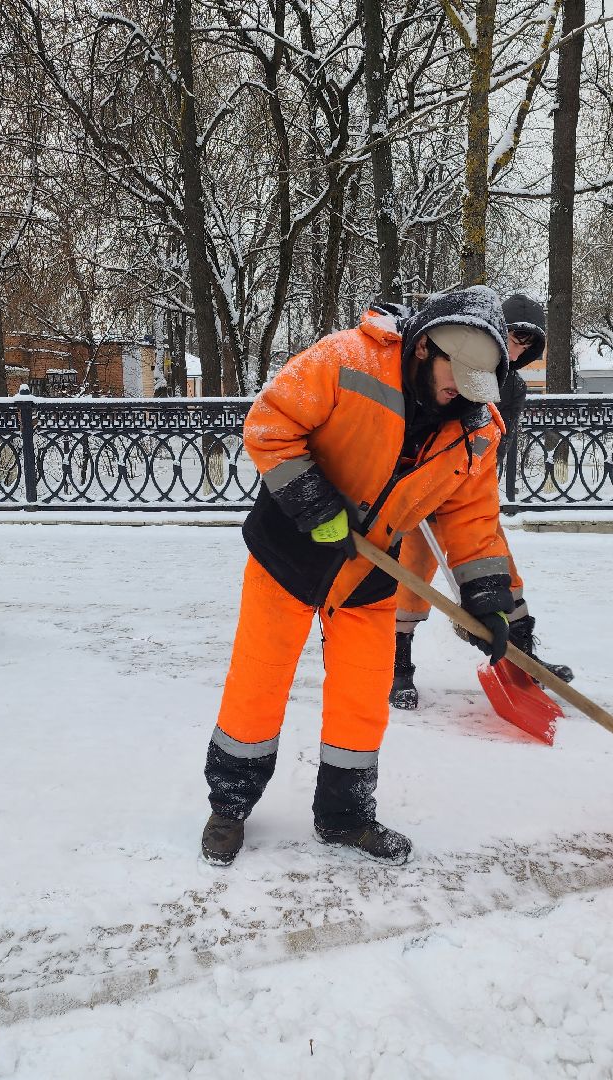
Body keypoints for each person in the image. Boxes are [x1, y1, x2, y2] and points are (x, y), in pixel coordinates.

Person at [201, 287, 517, 867]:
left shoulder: (476, 430)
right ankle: (229, 805)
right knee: (259, 682)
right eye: (458, 374)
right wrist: (314, 503)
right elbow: (270, 423)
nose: (461, 391)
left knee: (363, 698)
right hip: (290, 552)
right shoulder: (346, 360)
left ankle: (346, 817)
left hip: (372, 566)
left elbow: (473, 522)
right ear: (426, 349)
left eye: (478, 380)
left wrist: (490, 600)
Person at [390, 292, 574, 710]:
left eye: (527, 343)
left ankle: (522, 658)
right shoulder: (444, 363)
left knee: (498, 572)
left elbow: (495, 441)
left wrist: (470, 484)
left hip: (469, 489)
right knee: (410, 581)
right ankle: (397, 666)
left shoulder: (512, 387)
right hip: (420, 494)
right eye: (512, 334)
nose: (516, 346)